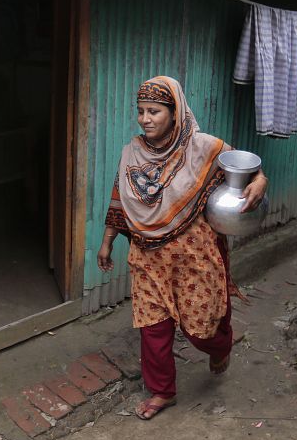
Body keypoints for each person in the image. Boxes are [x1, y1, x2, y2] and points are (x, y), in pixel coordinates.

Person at [97, 76, 267, 420]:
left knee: (200, 328)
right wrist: (107, 243)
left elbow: (247, 168)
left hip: (194, 254)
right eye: (141, 111)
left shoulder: (203, 147)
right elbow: (120, 198)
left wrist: (260, 181)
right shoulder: (132, 152)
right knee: (153, 327)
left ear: (175, 114)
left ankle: (221, 344)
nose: (145, 119)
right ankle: (162, 391)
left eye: (154, 111)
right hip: (147, 254)